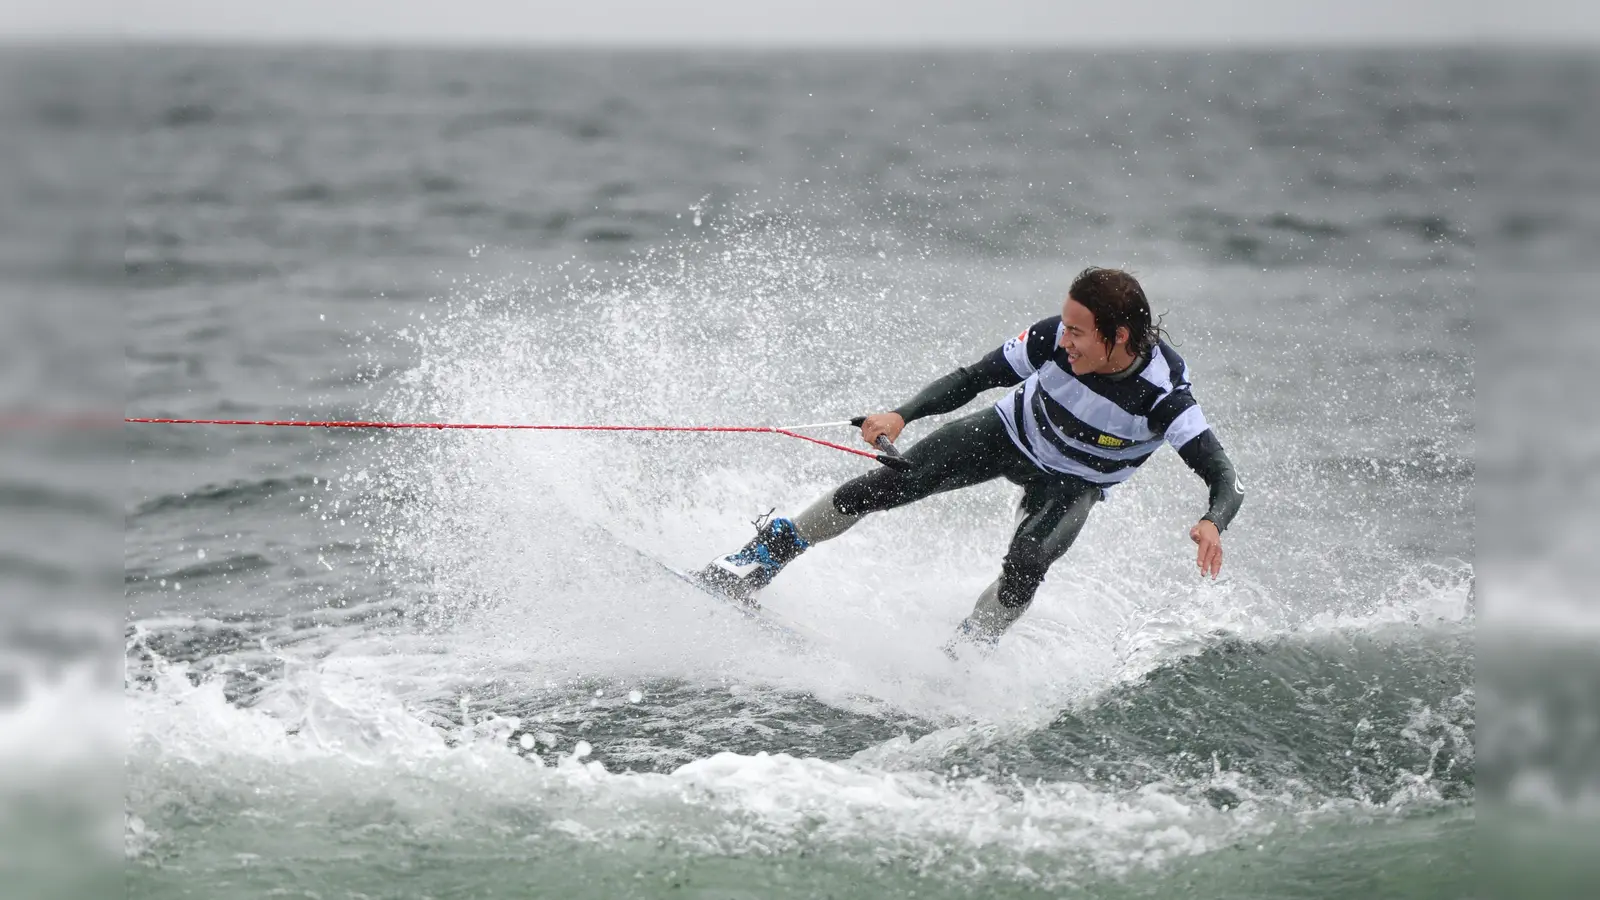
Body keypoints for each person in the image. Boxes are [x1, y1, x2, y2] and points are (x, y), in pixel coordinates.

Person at [696, 267, 1244, 654]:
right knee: (882, 486)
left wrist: (1211, 521)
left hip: (1074, 483)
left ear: (1118, 336)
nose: (1066, 339)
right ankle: (757, 560)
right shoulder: (1053, 339)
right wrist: (902, 414)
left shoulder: (1164, 393)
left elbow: (1223, 476)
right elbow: (976, 377)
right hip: (1008, 433)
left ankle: (964, 656)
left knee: (1028, 562)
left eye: (1078, 331)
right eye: (1066, 326)